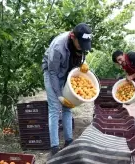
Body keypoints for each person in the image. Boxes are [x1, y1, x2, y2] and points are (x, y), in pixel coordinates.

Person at [42, 23, 92, 157]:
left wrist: (83, 63)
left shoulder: (80, 43)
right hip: (51, 73)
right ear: (72, 36)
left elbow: (77, 58)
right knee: (54, 107)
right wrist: (59, 95)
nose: (82, 47)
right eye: (80, 44)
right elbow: (53, 73)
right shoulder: (58, 47)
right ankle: (54, 147)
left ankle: (69, 141)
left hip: (66, 73)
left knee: (67, 107)